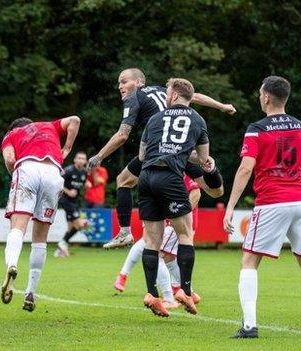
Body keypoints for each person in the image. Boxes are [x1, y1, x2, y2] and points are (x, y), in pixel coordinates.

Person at [87, 68, 234, 249]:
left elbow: (123, 135)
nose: (120, 86)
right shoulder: (162, 90)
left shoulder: (135, 97)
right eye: (119, 83)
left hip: (156, 152)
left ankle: (125, 232)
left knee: (123, 181)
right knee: (215, 191)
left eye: (124, 81)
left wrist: (99, 156)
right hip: (181, 149)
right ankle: (211, 174)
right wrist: (221, 106)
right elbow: (194, 96)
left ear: (139, 82)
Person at [223, 76, 301, 339]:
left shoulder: (257, 128)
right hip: (300, 200)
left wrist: (230, 206)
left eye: (260, 93)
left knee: (249, 261)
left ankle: (249, 326)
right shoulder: (300, 126)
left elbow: (246, 168)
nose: (259, 97)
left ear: (266, 97)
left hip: (273, 202)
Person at [137, 78, 212, 317]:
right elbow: (203, 159)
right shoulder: (198, 120)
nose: (166, 96)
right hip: (170, 176)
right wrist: (181, 153)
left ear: (174, 95)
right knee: (185, 234)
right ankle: (185, 291)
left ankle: (151, 294)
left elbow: (141, 154)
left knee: (152, 240)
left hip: (146, 175)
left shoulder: (154, 119)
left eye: (168, 92)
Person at [0, 115, 80, 312]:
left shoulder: (12, 134)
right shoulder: (48, 126)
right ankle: (31, 292)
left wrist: (15, 174)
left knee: (18, 226)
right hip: (53, 173)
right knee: (40, 237)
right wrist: (67, 148)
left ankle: (11, 264)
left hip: (27, 169)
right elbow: (75, 120)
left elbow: (10, 159)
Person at [114, 175, 203, 309]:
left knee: (157, 255)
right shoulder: (167, 172)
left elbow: (196, 192)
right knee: (168, 257)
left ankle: (169, 298)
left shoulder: (178, 169)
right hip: (174, 221)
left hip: (177, 222)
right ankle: (188, 292)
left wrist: (179, 215)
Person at [54, 151, 89, 258]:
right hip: (65, 200)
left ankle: (59, 251)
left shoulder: (84, 173)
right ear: (75, 159)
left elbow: (81, 184)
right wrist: (68, 192)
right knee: (81, 225)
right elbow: (57, 182)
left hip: (74, 202)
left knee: (71, 227)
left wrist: (86, 184)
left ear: (85, 161)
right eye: (79, 158)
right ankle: (62, 242)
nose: (81, 160)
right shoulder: (68, 171)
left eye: (83, 159)